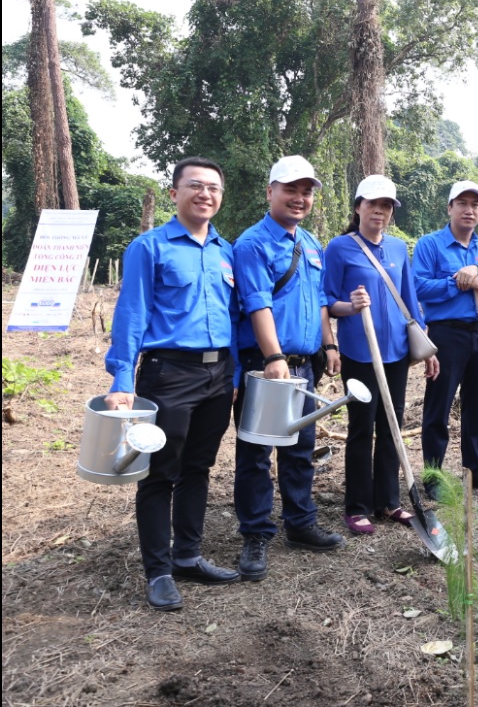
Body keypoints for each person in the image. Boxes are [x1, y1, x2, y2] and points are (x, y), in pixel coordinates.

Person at [104, 157, 240, 611]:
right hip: (169, 373)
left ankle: (188, 555)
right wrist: (123, 377)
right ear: (174, 193)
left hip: (218, 374)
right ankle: (158, 571)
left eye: (214, 188)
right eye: (195, 186)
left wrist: (234, 374)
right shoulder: (150, 246)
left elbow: (233, 317)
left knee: (199, 468)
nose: (206, 194)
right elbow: (132, 314)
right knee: (161, 472)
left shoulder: (226, 251)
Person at [231, 156, 344, 580]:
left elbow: (317, 301)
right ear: (270, 192)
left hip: (304, 367)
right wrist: (274, 358)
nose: (300, 198)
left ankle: (300, 524)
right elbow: (257, 302)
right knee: (257, 454)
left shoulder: (311, 243)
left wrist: (329, 345)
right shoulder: (252, 243)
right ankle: (256, 532)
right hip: (265, 366)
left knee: (299, 450)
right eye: (290, 189)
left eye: (307, 191)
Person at [324, 175, 439, 534]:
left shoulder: (397, 249)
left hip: (397, 353)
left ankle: (388, 501)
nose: (380, 211)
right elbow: (327, 301)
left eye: (386, 205)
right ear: (358, 206)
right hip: (360, 352)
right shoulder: (339, 248)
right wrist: (350, 305)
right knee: (362, 427)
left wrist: (426, 347)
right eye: (373, 203)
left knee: (392, 425)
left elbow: (409, 302)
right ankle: (356, 505)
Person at [413, 180, 478, 497]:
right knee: (438, 407)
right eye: (462, 203)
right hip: (446, 333)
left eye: (475, 204)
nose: (469, 210)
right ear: (450, 208)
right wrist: (458, 282)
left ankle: (476, 470)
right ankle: (433, 476)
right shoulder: (430, 245)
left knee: (476, 404)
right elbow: (419, 288)